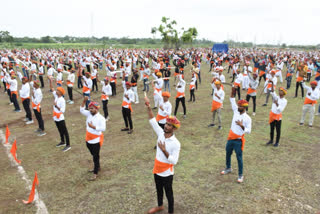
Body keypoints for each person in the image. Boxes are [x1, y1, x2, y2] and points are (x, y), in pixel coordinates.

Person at [144, 95, 181, 214]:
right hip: (157, 169)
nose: (166, 126)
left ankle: (171, 211)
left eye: (169, 125)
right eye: (166, 124)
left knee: (169, 193)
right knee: (158, 189)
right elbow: (152, 121)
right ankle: (160, 206)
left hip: (167, 172)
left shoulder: (176, 143)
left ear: (174, 128)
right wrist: (149, 107)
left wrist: (164, 150)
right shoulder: (160, 133)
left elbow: (174, 161)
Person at [221, 87, 252, 183]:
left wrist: (242, 126)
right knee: (228, 153)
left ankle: (240, 175)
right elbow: (231, 100)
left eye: (240, 106)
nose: (238, 107)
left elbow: (249, 131)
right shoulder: (236, 111)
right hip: (230, 138)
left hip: (238, 140)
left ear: (245, 107)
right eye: (238, 105)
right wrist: (232, 92)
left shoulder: (247, 118)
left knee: (239, 157)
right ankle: (228, 168)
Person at [80, 97, 106, 181]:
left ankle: (95, 173)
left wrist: (94, 127)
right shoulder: (89, 114)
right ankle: (97, 166)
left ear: (96, 109)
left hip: (96, 140)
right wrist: (84, 101)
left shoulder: (101, 118)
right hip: (88, 139)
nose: (90, 110)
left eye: (92, 108)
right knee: (93, 154)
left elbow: (103, 128)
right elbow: (81, 110)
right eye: (89, 108)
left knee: (95, 156)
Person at [49, 79, 71, 152]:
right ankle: (62, 141)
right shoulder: (56, 96)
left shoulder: (62, 100)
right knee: (59, 130)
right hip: (55, 116)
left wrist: (56, 106)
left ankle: (68, 145)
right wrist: (50, 81)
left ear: (61, 93)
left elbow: (62, 110)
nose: (56, 91)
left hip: (60, 117)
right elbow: (52, 89)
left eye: (58, 90)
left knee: (65, 131)